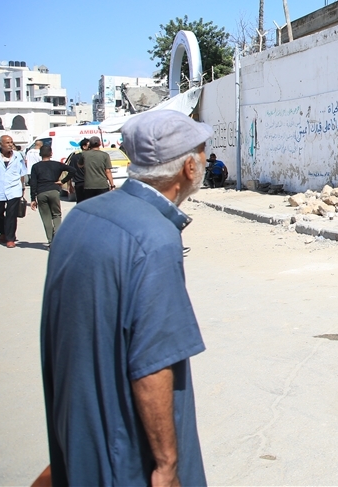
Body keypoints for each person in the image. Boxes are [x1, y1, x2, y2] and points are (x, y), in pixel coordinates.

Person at [41, 110, 213, 486]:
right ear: (188, 166)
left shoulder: (84, 214)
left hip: (78, 426)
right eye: (201, 152)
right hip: (124, 448)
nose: (204, 159)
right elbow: (152, 362)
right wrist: (167, 464)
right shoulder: (154, 239)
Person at [29, 145, 78, 245]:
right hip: (54, 191)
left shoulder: (36, 166)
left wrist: (33, 198)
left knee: (46, 217)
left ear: (40, 154)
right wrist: (62, 181)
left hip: (41, 192)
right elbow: (73, 170)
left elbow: (33, 183)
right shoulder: (57, 165)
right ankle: (58, 239)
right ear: (51, 153)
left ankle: (51, 240)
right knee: (56, 215)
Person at [0, 134, 28, 248]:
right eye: (7, 143)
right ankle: (2, 231)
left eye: (11, 142)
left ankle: (10, 238)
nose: (10, 145)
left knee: (11, 214)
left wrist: (22, 187)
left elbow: (22, 172)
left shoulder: (18, 156)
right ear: (0, 145)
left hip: (14, 189)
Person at [76, 136, 113, 201]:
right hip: (102, 185)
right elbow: (108, 171)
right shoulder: (105, 155)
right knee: (103, 204)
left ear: (90, 144)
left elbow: (79, 165)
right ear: (100, 143)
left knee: (90, 205)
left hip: (89, 185)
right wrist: (112, 185)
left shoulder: (84, 154)